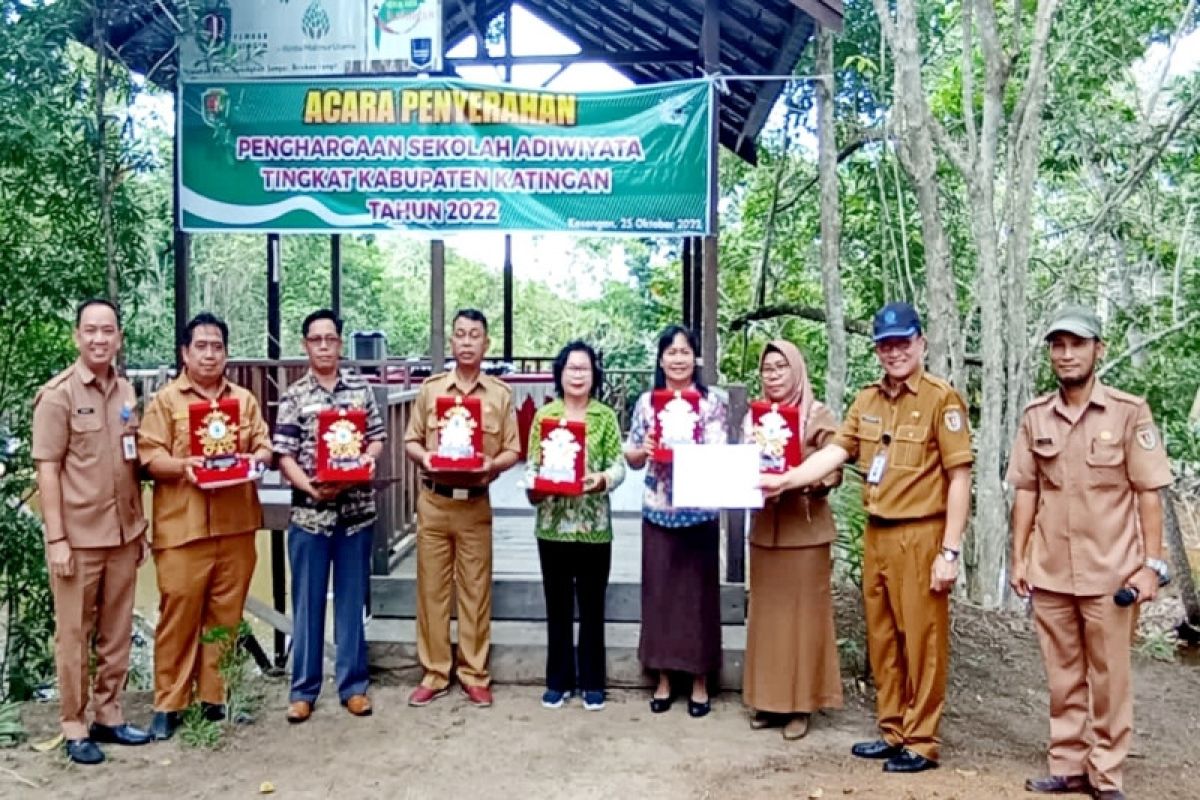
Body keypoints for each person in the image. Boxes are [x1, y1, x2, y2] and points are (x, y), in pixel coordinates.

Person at [761, 302, 972, 773]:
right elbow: (835, 453)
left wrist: (950, 551)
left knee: (922, 641)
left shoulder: (942, 400)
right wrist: (788, 480)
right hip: (878, 534)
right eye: (885, 344)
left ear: (921, 342)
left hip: (921, 534)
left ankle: (921, 741)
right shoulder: (867, 400)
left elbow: (960, 478)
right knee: (884, 640)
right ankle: (892, 729)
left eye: (902, 342)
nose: (894, 352)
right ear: (877, 349)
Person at [1007, 306, 1172, 800]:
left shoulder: (1128, 411)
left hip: (1111, 573)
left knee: (1109, 677)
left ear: (1098, 349)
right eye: (1058, 345)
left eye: (1077, 344)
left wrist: (1151, 566)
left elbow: (1148, 491)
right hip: (1052, 570)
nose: (1066, 354)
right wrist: (1019, 558)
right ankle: (1068, 764)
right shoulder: (1037, 415)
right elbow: (1027, 492)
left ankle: (1106, 773)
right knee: (1062, 675)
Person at [137, 312, 272, 740]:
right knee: (177, 616)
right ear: (185, 352)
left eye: (217, 346)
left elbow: (263, 445)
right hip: (183, 530)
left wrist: (260, 459)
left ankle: (215, 698)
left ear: (226, 353)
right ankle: (169, 702)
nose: (210, 354)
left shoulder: (244, 401)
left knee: (225, 617)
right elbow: (148, 458)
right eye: (202, 346)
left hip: (235, 526)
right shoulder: (165, 401)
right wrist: (184, 466)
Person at [31, 298, 151, 764]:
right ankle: (74, 723)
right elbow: (47, 471)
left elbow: (129, 462)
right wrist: (56, 539)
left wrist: (139, 528)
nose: (100, 339)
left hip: (122, 534)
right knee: (74, 634)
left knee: (117, 631)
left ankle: (109, 714)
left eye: (108, 331)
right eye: (91, 331)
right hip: (78, 539)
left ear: (119, 337)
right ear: (77, 336)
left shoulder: (125, 392)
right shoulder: (57, 395)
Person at [403, 309, 520, 708]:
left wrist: (493, 465)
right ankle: (435, 672)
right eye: (460, 334)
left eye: (475, 335)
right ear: (450, 342)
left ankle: (473, 673)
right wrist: (427, 459)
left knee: (474, 592)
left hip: (475, 505)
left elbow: (512, 449)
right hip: (434, 501)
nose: (467, 341)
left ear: (486, 344)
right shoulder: (431, 390)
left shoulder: (500, 395)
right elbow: (411, 440)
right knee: (432, 592)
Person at [273, 308, 386, 723]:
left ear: (340, 343)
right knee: (307, 604)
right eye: (316, 339)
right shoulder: (294, 394)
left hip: (355, 513)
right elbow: (282, 453)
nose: (324, 346)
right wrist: (309, 486)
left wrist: (366, 464)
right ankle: (303, 689)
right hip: (309, 515)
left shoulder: (360, 388)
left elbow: (376, 438)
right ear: (306, 345)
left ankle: (353, 686)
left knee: (351, 602)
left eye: (330, 339)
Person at [624, 324, 727, 718]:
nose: (678, 358)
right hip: (658, 508)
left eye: (685, 351)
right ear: (661, 358)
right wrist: (647, 449)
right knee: (660, 596)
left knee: (699, 598)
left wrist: (690, 449)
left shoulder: (711, 403)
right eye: (671, 352)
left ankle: (700, 679)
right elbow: (632, 456)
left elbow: (719, 452)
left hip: (699, 510)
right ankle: (663, 676)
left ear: (695, 358)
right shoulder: (647, 402)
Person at [743, 341, 843, 740]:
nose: (773, 375)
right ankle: (768, 701)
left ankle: (801, 705)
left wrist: (809, 480)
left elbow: (836, 462)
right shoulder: (752, 416)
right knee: (768, 620)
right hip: (767, 530)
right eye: (767, 369)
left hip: (805, 530)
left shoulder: (817, 415)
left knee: (804, 620)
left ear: (797, 369)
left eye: (781, 367)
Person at [525, 341, 625, 711]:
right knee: (558, 605)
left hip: (594, 524)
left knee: (592, 605)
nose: (578, 375)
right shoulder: (545, 416)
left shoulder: (605, 417)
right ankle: (558, 680)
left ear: (594, 374)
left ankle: (593, 681)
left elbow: (618, 464)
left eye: (584, 368)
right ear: (560, 373)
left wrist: (602, 480)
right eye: (571, 368)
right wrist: (533, 487)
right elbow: (533, 464)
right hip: (552, 523)